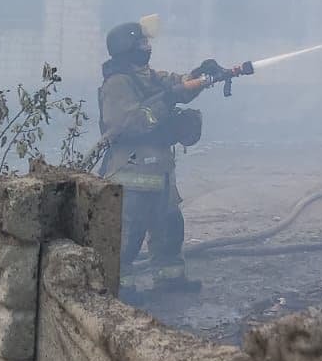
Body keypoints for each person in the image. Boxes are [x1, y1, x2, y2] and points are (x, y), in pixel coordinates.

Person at [96, 15, 225, 295]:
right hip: (132, 170)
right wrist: (166, 101)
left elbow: (179, 85)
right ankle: (119, 286)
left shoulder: (149, 76)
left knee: (169, 226)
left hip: (160, 169)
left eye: (147, 42)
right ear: (126, 48)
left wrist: (202, 76)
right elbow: (127, 123)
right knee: (128, 233)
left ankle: (169, 278)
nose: (147, 47)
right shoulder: (117, 83)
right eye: (141, 43)